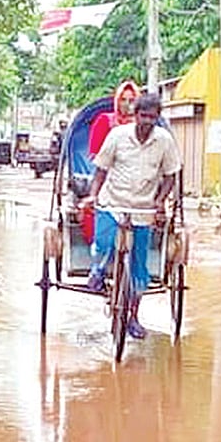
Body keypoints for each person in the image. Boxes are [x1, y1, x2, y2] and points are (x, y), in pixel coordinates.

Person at [83, 92, 181, 340]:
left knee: (138, 268)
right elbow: (101, 169)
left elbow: (171, 175)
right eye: (143, 116)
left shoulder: (164, 141)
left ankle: (133, 317)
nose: (147, 121)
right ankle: (98, 271)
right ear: (135, 115)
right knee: (104, 242)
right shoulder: (117, 136)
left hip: (143, 209)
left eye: (152, 117)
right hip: (112, 203)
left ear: (157, 118)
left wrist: (160, 202)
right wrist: (93, 196)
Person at [88, 80, 139, 158]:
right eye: (123, 99)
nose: (127, 103)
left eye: (131, 100)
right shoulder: (104, 120)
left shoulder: (142, 124)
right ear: (117, 101)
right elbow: (94, 154)